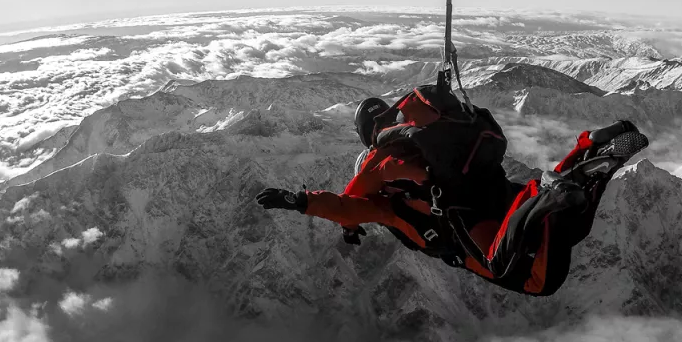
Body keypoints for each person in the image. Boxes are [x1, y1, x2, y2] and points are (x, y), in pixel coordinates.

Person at [256, 97, 648, 296]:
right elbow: (346, 209)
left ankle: (554, 189)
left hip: (464, 221)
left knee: (522, 274)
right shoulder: (429, 146)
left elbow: (344, 205)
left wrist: (299, 201)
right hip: (497, 190)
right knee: (563, 230)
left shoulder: (384, 197)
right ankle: (589, 154)